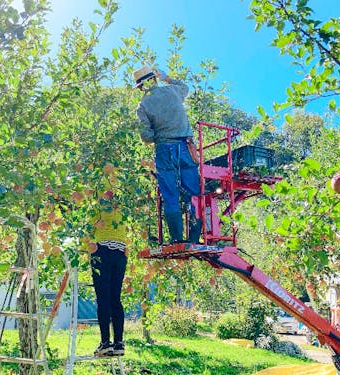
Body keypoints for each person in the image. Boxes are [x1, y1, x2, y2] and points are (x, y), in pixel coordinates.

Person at [133, 65, 202, 244]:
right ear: (155, 78)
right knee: (193, 192)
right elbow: (186, 87)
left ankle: (177, 239)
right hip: (186, 147)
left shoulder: (143, 105)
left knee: (170, 195)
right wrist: (167, 78)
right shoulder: (173, 91)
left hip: (164, 149)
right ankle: (194, 237)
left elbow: (146, 137)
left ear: (140, 86)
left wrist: (161, 134)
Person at [88, 173, 128, 357]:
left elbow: (90, 226)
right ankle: (119, 343)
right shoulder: (121, 207)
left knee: (103, 298)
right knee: (115, 299)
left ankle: (105, 343)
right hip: (120, 252)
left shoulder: (99, 205)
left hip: (102, 250)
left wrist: (88, 247)